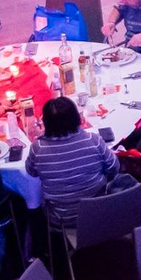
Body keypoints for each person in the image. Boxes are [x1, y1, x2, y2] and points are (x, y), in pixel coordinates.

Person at [25, 96, 123, 227]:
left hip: (61, 218)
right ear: (77, 118)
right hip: (99, 211)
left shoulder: (38, 148)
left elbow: (31, 172)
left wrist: (41, 137)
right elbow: (114, 167)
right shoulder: (93, 140)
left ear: (46, 123)